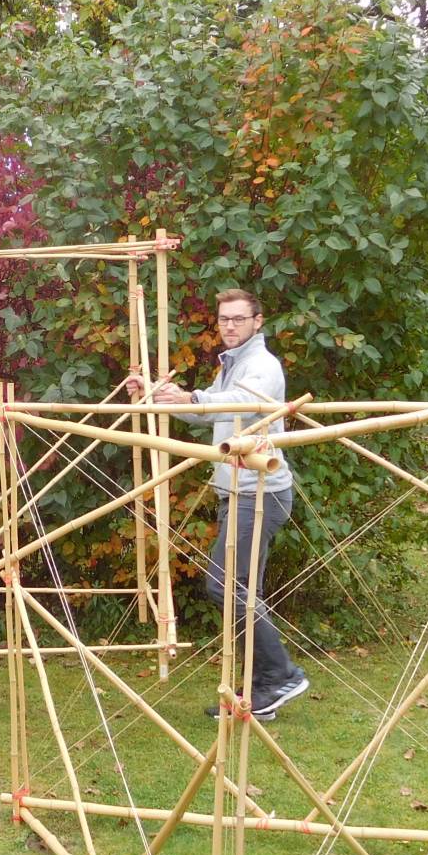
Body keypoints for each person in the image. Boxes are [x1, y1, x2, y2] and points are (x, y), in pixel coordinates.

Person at [132, 287, 309, 721]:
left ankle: (282, 676)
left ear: (257, 321)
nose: (229, 325)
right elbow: (209, 411)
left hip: (259, 491)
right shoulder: (231, 365)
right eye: (224, 319)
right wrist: (161, 395)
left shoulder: (261, 366)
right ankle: (257, 695)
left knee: (225, 586)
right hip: (239, 491)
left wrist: (193, 398)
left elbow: (244, 404)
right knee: (245, 592)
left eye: (238, 319)